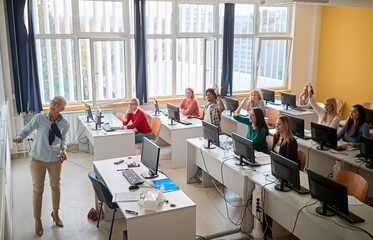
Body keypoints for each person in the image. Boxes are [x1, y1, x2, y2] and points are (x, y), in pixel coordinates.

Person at [13, 96, 69, 236]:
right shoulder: (40, 117)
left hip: (55, 159)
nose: (52, 105)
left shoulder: (65, 124)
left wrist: (64, 150)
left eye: (56, 104)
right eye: (52, 102)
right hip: (37, 159)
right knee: (38, 189)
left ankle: (55, 214)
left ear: (62, 108)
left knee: (56, 186)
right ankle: (37, 220)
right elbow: (27, 129)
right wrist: (20, 137)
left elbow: (63, 141)